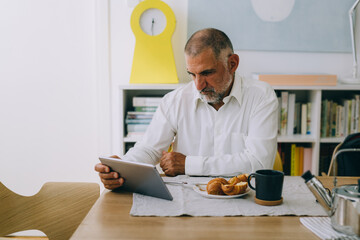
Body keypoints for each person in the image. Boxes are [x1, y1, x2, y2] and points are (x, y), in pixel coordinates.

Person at [95, 28, 278, 190]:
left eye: (207, 73)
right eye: (192, 74)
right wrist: (121, 169)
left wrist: (188, 164)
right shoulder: (174, 100)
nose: (198, 85)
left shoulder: (261, 96)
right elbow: (150, 149)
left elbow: (259, 164)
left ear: (232, 64)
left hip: (243, 199)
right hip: (188, 199)